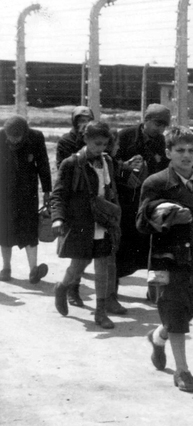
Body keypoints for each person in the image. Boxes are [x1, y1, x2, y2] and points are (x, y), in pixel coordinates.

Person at [138, 126, 193, 393]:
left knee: (191, 309)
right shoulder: (156, 182)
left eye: (191, 150)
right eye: (180, 150)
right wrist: (167, 216)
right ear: (168, 152)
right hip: (169, 258)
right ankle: (182, 371)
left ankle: (157, 338)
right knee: (174, 312)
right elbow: (141, 223)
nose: (186, 156)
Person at [51, 121, 121, 329]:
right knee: (78, 265)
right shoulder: (71, 164)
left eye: (104, 145)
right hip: (81, 222)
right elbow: (59, 194)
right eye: (97, 144)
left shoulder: (107, 162)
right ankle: (62, 287)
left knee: (102, 267)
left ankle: (100, 313)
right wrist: (57, 218)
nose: (100, 149)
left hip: (103, 222)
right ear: (85, 139)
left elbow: (112, 187)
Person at [114, 103, 171, 298]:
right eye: (157, 124)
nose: (161, 129)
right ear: (145, 120)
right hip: (125, 201)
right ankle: (110, 292)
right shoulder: (126, 136)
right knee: (121, 246)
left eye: (164, 126)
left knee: (149, 247)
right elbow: (111, 161)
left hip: (148, 202)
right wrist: (124, 172)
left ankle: (152, 291)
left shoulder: (162, 142)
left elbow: (165, 167)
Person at [0, 116, 52, 284]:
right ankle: (6, 268)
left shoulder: (35, 137)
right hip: (4, 192)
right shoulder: (0, 137)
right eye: (10, 137)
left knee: (29, 230)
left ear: (24, 133)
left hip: (27, 192)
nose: (13, 140)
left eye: (17, 137)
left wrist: (46, 191)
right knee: (5, 231)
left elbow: (43, 164)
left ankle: (33, 270)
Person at [54, 106, 96, 307]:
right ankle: (71, 288)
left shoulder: (97, 141)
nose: (84, 122)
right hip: (75, 203)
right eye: (80, 119)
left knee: (87, 256)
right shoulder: (66, 142)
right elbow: (62, 170)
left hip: (95, 205)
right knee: (80, 255)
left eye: (88, 119)